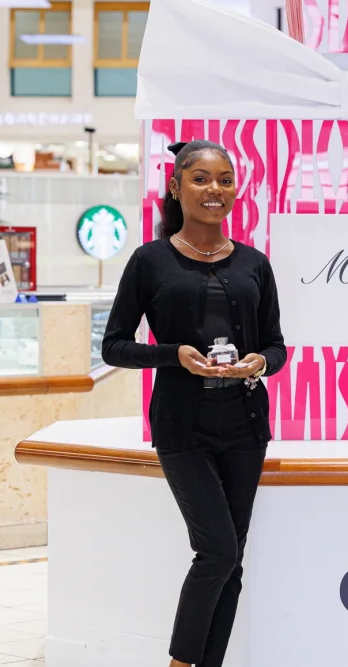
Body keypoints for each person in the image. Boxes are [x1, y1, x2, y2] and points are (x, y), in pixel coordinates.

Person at [102, 139, 286, 667]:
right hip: (182, 426)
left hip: (246, 425)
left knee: (232, 561)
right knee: (218, 551)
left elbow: (277, 346)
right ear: (176, 186)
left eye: (225, 180)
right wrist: (174, 354)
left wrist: (259, 362)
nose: (215, 190)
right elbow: (114, 345)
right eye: (201, 179)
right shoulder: (149, 261)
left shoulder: (254, 263)